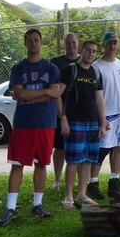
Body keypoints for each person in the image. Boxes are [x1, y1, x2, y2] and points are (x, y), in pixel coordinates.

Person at [0, 28, 61, 226]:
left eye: (36, 40)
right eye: (29, 40)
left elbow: (54, 93)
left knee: (41, 163)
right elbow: (20, 94)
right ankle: (11, 208)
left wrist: (30, 94)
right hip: (23, 123)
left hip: (45, 122)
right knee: (17, 164)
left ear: (41, 43)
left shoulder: (51, 68)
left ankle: (37, 205)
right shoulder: (18, 68)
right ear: (25, 43)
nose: (33, 43)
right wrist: (46, 93)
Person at [56, 39, 109, 209]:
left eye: (94, 51)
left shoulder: (96, 72)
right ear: (82, 50)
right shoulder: (70, 70)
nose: (91, 54)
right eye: (88, 50)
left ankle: (82, 194)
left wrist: (103, 122)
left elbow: (99, 100)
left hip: (92, 122)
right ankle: (69, 196)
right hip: (74, 122)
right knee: (73, 160)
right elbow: (57, 95)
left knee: (87, 160)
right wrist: (63, 119)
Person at [89, 31, 120, 198]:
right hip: (107, 115)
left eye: (115, 42)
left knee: (119, 148)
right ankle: (92, 183)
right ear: (104, 45)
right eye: (109, 42)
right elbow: (94, 95)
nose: (112, 45)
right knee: (101, 150)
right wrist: (100, 118)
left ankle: (114, 181)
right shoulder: (96, 66)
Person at [49, 32, 80, 191]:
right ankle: (57, 179)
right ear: (64, 45)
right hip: (60, 111)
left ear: (78, 43)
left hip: (80, 112)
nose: (71, 46)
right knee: (60, 147)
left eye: (73, 42)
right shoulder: (56, 62)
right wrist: (61, 116)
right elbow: (53, 89)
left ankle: (77, 180)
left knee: (79, 147)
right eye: (68, 43)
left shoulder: (85, 62)